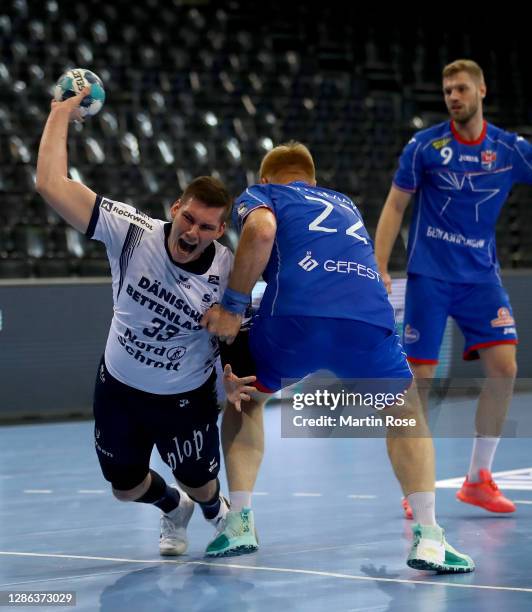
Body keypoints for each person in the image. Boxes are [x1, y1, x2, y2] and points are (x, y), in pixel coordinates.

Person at [202, 141, 474, 573]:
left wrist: (233, 307)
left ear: (266, 177)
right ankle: (429, 537)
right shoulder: (345, 204)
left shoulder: (265, 194)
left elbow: (262, 231)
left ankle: (239, 522)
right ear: (312, 179)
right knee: (405, 413)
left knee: (246, 399)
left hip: (296, 319)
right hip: (366, 319)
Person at [36, 87, 256, 556]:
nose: (192, 233)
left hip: (183, 395)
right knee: (124, 486)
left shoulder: (226, 271)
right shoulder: (133, 233)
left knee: (200, 480)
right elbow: (52, 184)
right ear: (175, 208)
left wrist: (234, 375)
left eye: (205, 227)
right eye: (188, 219)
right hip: (118, 385)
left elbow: (237, 330)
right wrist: (59, 112)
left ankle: (223, 519)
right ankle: (173, 510)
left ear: (220, 231)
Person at [374, 59, 532, 519]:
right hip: (430, 277)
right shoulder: (425, 147)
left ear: (482, 89)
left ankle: (479, 479)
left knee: (504, 368)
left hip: (481, 277)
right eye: (447, 91)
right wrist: (380, 264)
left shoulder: (509, 149)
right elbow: (395, 205)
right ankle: (413, 481)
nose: (453, 97)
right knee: (419, 382)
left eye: (461, 88)